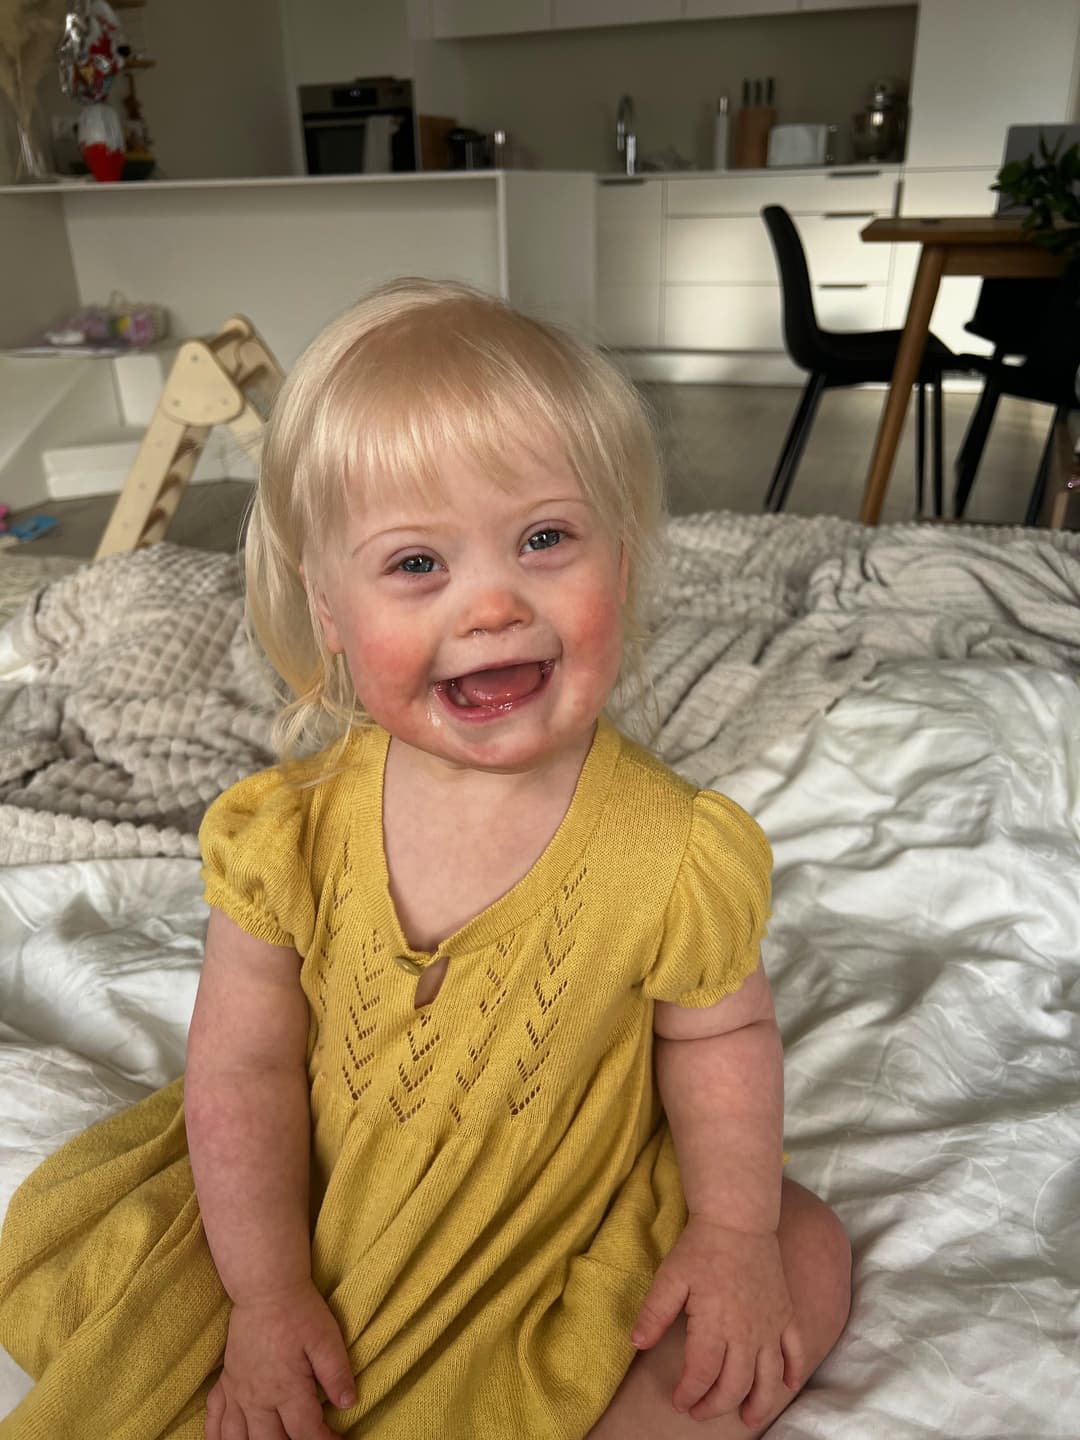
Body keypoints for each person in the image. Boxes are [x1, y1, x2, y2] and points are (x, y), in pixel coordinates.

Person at [0, 279, 850, 1440]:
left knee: (803, 1246)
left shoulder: (675, 849)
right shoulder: (288, 834)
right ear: (330, 612)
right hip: (315, 1211)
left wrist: (733, 1233)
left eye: (544, 540)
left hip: (562, 1216)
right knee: (147, 1329)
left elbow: (720, 1038)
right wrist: (266, 1296)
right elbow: (244, 1070)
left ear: (622, 560)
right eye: (415, 565)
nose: (493, 606)